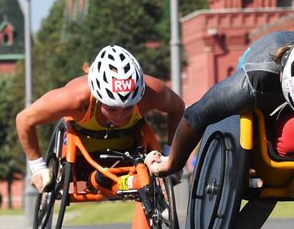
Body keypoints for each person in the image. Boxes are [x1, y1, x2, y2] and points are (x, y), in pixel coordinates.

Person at [146, 28, 294, 176]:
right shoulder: (253, 81)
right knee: (289, 136)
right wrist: (172, 164)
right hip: (263, 62)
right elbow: (194, 116)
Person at [16, 44, 185, 193]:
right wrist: (37, 167)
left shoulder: (150, 93)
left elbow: (178, 108)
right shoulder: (75, 99)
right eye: (111, 109)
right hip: (82, 158)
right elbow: (24, 119)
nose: (121, 115)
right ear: (97, 97)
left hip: (130, 151)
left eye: (128, 107)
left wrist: (172, 153)